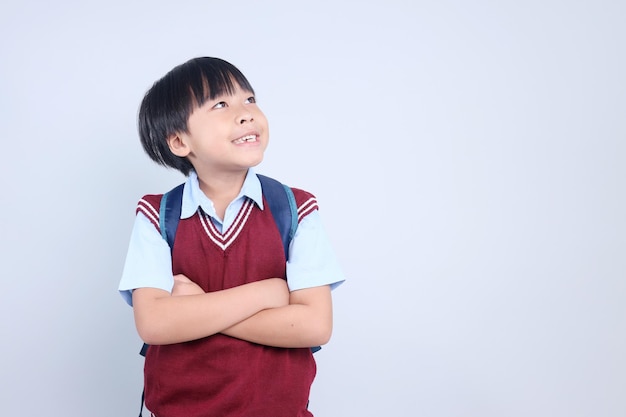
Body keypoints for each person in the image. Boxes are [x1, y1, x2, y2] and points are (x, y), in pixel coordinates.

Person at [119, 57, 345, 417]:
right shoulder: (156, 215)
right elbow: (155, 324)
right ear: (179, 141)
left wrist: (198, 308)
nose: (246, 113)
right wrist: (267, 293)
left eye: (250, 99)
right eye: (221, 104)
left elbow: (315, 326)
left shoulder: (296, 209)